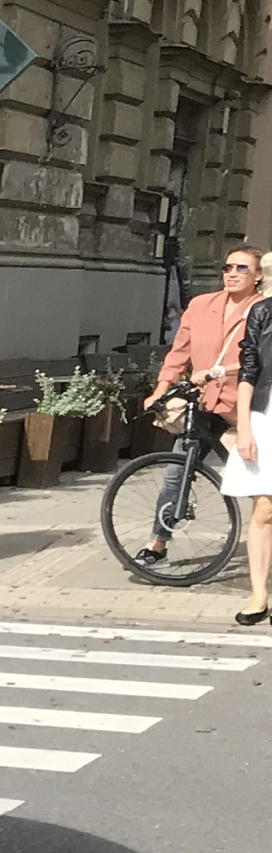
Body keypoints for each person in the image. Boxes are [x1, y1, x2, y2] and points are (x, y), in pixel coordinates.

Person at [135, 244, 265, 563]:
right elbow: (178, 353)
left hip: (245, 411)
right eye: (227, 267)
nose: (231, 274)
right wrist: (160, 390)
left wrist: (219, 371)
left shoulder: (264, 310)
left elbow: (262, 359)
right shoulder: (200, 305)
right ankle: (158, 541)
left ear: (258, 276)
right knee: (176, 473)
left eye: (241, 268)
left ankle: (265, 536)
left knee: (258, 486)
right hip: (203, 406)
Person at [226, 289, 272, 624]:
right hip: (266, 414)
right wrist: (244, 426)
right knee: (265, 507)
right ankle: (259, 595)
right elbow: (249, 369)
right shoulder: (263, 312)